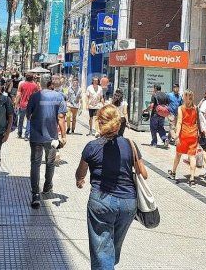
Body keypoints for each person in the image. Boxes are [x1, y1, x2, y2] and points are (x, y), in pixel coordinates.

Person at [75, 105, 147, 270]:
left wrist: (80, 180)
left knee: (102, 251)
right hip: (128, 203)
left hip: (102, 202)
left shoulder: (92, 146)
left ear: (99, 123)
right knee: (112, 248)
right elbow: (144, 173)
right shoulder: (130, 144)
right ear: (118, 123)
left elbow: (80, 172)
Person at [26, 75, 67, 209]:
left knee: (35, 164)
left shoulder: (34, 96)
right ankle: (47, 186)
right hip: (52, 137)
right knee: (50, 163)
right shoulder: (59, 96)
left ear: (40, 83)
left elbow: (28, 115)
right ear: (51, 84)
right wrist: (64, 136)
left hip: (36, 136)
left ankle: (35, 194)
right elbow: (61, 118)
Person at [168, 90, 201, 186]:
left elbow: (179, 122)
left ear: (184, 97)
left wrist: (177, 135)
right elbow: (197, 122)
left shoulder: (181, 108)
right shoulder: (195, 108)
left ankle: (173, 172)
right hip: (193, 134)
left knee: (178, 155)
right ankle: (192, 178)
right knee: (192, 156)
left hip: (183, 134)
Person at [16, 73, 39, 140]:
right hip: (31, 105)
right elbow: (37, 95)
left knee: (21, 119)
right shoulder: (35, 85)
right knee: (29, 120)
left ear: (25, 77)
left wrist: (16, 104)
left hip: (22, 104)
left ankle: (19, 133)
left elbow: (18, 95)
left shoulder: (22, 84)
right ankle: (26, 135)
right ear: (32, 78)